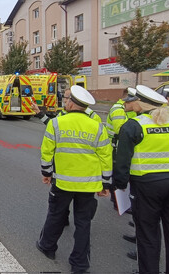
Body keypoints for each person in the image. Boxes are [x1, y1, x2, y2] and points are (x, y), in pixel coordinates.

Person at [113, 85, 169, 274]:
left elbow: (122, 163)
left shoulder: (134, 125)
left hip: (148, 187)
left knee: (148, 236)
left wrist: (119, 186)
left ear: (140, 103)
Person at [36, 85, 112, 274]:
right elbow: (106, 157)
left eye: (67, 100)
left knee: (56, 215)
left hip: (62, 182)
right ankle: (80, 264)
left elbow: (47, 152)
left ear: (70, 103)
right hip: (88, 185)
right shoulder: (98, 126)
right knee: (83, 223)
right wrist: (106, 184)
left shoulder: (57, 123)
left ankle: (47, 247)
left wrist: (46, 173)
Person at [31, 88, 101, 125]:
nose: (64, 101)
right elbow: (52, 125)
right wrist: (39, 112)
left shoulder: (92, 116)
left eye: (66, 98)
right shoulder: (63, 112)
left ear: (73, 100)